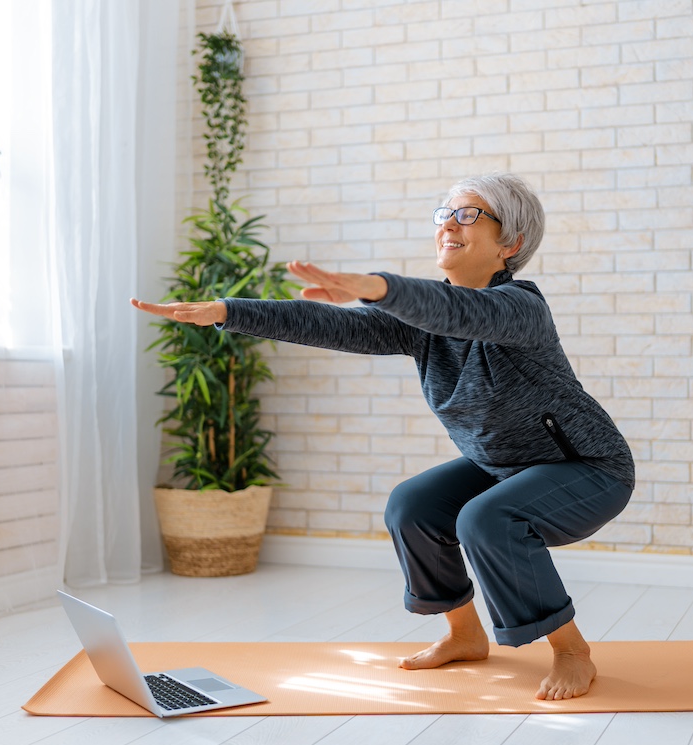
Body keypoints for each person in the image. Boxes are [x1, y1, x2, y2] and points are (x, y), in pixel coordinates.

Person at [131, 173, 634, 700]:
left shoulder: (521, 308)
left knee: (486, 517)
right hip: (504, 465)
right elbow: (334, 325)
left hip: (587, 467)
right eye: (445, 213)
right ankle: (464, 636)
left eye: (468, 215)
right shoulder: (422, 322)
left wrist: (378, 287)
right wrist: (229, 312)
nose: (449, 224)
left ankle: (572, 651)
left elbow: (458, 311)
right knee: (411, 506)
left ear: (510, 244)